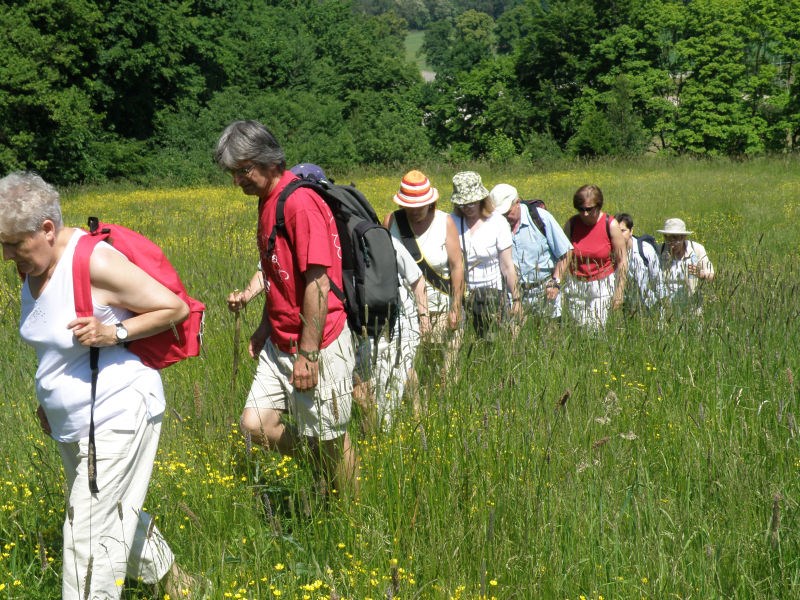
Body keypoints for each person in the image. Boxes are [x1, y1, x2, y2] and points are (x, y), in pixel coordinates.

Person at [0, 172, 197, 599]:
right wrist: (45, 398)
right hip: (74, 419)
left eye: (14, 243)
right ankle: (180, 586)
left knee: (87, 535)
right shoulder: (31, 268)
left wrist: (115, 334)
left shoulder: (92, 261)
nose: (6, 254)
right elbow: (51, 341)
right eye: (3, 244)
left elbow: (174, 307)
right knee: (116, 512)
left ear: (47, 230)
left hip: (116, 409)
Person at [215, 122, 356, 495]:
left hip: (318, 342)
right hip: (280, 341)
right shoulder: (269, 201)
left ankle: (354, 515)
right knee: (254, 425)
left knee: (329, 438)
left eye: (242, 170)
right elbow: (280, 276)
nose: (237, 181)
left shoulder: (299, 203)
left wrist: (309, 353)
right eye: (233, 173)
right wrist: (264, 327)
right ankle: (321, 472)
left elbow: (317, 283)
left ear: (267, 160)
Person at [353, 238, 428, 431]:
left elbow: (416, 278)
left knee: (398, 376)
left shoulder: (385, 241)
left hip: (400, 322)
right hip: (365, 329)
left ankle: (401, 426)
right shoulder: (336, 243)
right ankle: (376, 432)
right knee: (365, 386)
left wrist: (424, 318)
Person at [450, 171, 521, 337]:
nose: (467, 208)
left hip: (492, 295)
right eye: (462, 204)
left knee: (491, 341)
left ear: (481, 199)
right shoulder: (451, 221)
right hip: (462, 294)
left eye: (471, 203)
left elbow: (507, 266)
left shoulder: (497, 222)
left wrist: (516, 298)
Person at [490, 183, 572, 319]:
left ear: (517, 203)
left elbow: (566, 252)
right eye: (500, 214)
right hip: (513, 294)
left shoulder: (540, 217)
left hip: (545, 291)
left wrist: (555, 281)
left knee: (549, 336)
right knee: (516, 337)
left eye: (507, 213)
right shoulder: (496, 225)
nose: (504, 217)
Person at [562, 184, 627, 330]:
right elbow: (564, 255)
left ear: (598, 206)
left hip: (602, 284)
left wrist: (619, 291)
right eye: (581, 209)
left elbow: (622, 260)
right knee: (578, 327)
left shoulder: (610, 225)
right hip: (576, 283)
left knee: (595, 328)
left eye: (589, 209)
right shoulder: (571, 224)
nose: (584, 213)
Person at [657, 217, 714, 313]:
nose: (671, 245)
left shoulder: (696, 250)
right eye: (667, 239)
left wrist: (700, 274)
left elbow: (711, 276)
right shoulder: (659, 250)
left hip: (691, 307)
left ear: (683, 237)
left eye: (675, 239)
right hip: (666, 308)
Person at [615, 213, 664, 314]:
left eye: (623, 231)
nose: (619, 235)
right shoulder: (610, 252)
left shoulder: (645, 250)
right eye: (616, 231)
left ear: (631, 231)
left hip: (648, 305)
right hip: (624, 306)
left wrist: (662, 308)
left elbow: (657, 280)